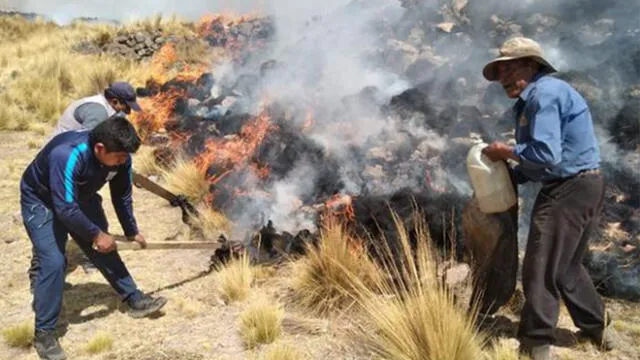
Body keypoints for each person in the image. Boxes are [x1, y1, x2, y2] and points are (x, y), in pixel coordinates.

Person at [480, 37, 614, 360]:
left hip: (568, 189)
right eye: (500, 72)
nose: (504, 78)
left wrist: (505, 152)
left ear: (532, 64)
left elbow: (546, 154)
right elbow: (541, 161)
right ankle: (599, 327)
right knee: (565, 268)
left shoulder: (544, 95)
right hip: (585, 185)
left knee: (540, 266)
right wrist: (511, 176)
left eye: (510, 68)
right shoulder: (536, 98)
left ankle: (536, 342)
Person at [20, 116, 167, 360]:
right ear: (100, 148)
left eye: (125, 157)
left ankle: (134, 298)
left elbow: (122, 196)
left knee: (105, 248)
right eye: (119, 156)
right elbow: (65, 209)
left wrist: (131, 230)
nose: (123, 161)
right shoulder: (66, 155)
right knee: (54, 262)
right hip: (42, 200)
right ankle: (44, 334)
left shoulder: (121, 158)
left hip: (80, 196)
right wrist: (96, 234)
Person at [28, 82, 144, 282]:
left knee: (91, 211)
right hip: (60, 168)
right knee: (55, 223)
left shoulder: (106, 110)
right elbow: (92, 149)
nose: (128, 112)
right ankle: (40, 273)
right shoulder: (97, 113)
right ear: (115, 101)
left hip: (75, 169)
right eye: (125, 107)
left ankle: (94, 254)